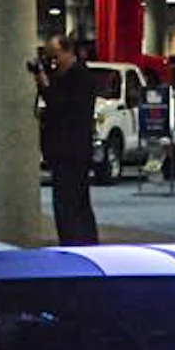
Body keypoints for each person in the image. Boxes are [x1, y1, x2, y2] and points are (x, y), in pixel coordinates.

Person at [36, 33, 98, 245]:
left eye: (55, 56)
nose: (53, 62)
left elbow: (59, 105)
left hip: (73, 150)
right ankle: (74, 241)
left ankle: (78, 242)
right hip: (60, 150)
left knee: (71, 203)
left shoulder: (80, 77)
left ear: (68, 52)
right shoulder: (60, 77)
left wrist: (45, 84)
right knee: (67, 202)